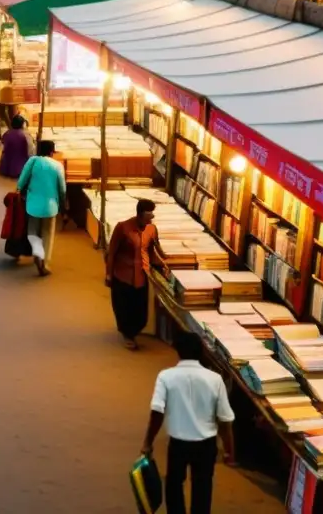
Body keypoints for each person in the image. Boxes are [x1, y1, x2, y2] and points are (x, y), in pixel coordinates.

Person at [141, 332, 236, 514]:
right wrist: (229, 450)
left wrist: (148, 442)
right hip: (206, 445)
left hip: (178, 443)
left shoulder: (166, 377)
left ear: (177, 350)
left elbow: (157, 412)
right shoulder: (215, 380)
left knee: (174, 485)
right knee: (203, 487)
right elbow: (225, 420)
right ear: (201, 351)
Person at [105, 197, 170, 350]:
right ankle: (128, 335)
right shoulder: (122, 228)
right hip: (123, 274)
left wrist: (163, 264)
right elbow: (112, 253)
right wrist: (108, 274)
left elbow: (153, 250)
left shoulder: (152, 229)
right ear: (140, 214)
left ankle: (134, 330)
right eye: (149, 214)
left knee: (141, 311)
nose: (152, 217)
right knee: (123, 307)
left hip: (142, 274)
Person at [17, 140, 66, 277]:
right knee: (47, 233)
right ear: (51, 152)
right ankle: (44, 261)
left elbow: (21, 181)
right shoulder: (57, 166)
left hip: (32, 204)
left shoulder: (33, 161)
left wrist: (20, 190)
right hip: (50, 206)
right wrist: (63, 204)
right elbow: (62, 188)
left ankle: (37, 253)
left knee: (33, 231)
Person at [0, 114, 34, 179]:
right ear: (22, 124)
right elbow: (31, 151)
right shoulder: (25, 135)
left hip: (5, 168)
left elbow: (3, 145)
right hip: (20, 170)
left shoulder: (7, 133)